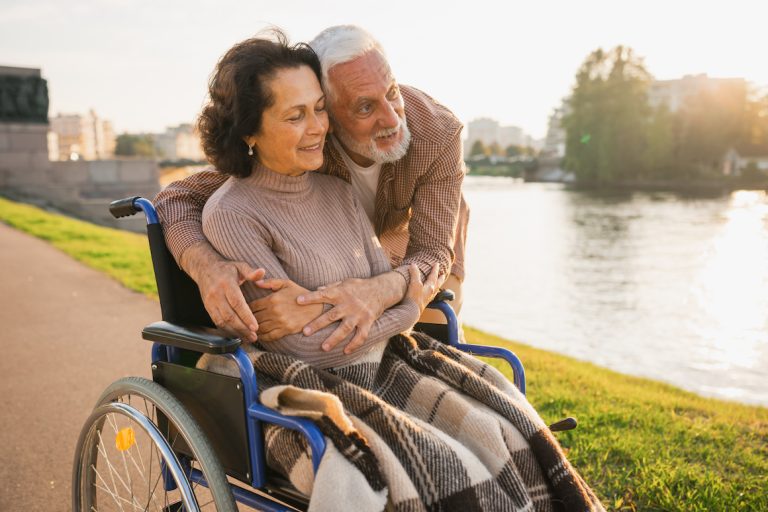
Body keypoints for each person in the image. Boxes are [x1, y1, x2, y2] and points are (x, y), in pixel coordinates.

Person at [192, 31, 603, 512]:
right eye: (296, 115)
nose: (316, 127)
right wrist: (391, 304)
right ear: (250, 131)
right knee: (444, 462)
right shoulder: (234, 210)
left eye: (317, 109)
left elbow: (419, 270)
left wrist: (371, 302)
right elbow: (306, 345)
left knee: (500, 426)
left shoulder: (344, 185)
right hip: (317, 373)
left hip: (392, 336)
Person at [154, 25, 469, 350]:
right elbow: (177, 199)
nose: (391, 120)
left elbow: (432, 252)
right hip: (334, 267)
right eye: (364, 107)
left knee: (444, 334)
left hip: (408, 253)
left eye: (391, 92)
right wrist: (207, 268)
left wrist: (379, 292)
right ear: (327, 106)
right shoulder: (303, 140)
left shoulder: (439, 133)